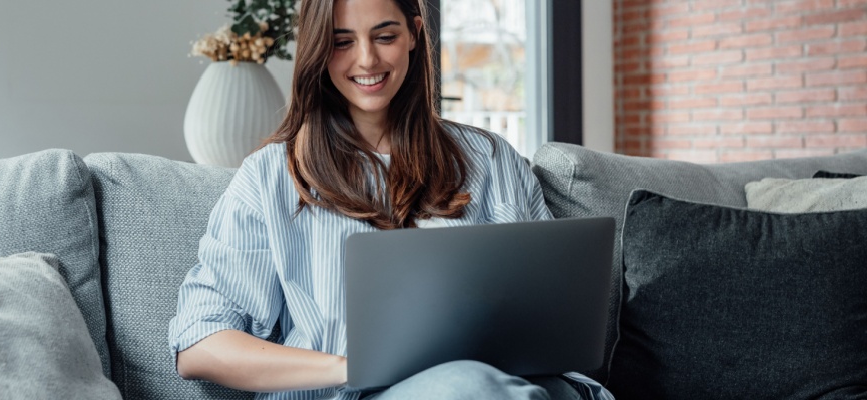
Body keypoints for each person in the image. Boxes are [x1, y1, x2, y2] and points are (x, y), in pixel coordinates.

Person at [168, 0, 615, 398]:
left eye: (385, 36)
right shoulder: (270, 177)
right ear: (317, 49)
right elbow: (201, 344)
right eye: (342, 42)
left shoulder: (492, 160)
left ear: (415, 36)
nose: (367, 59)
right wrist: (350, 368)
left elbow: (552, 312)